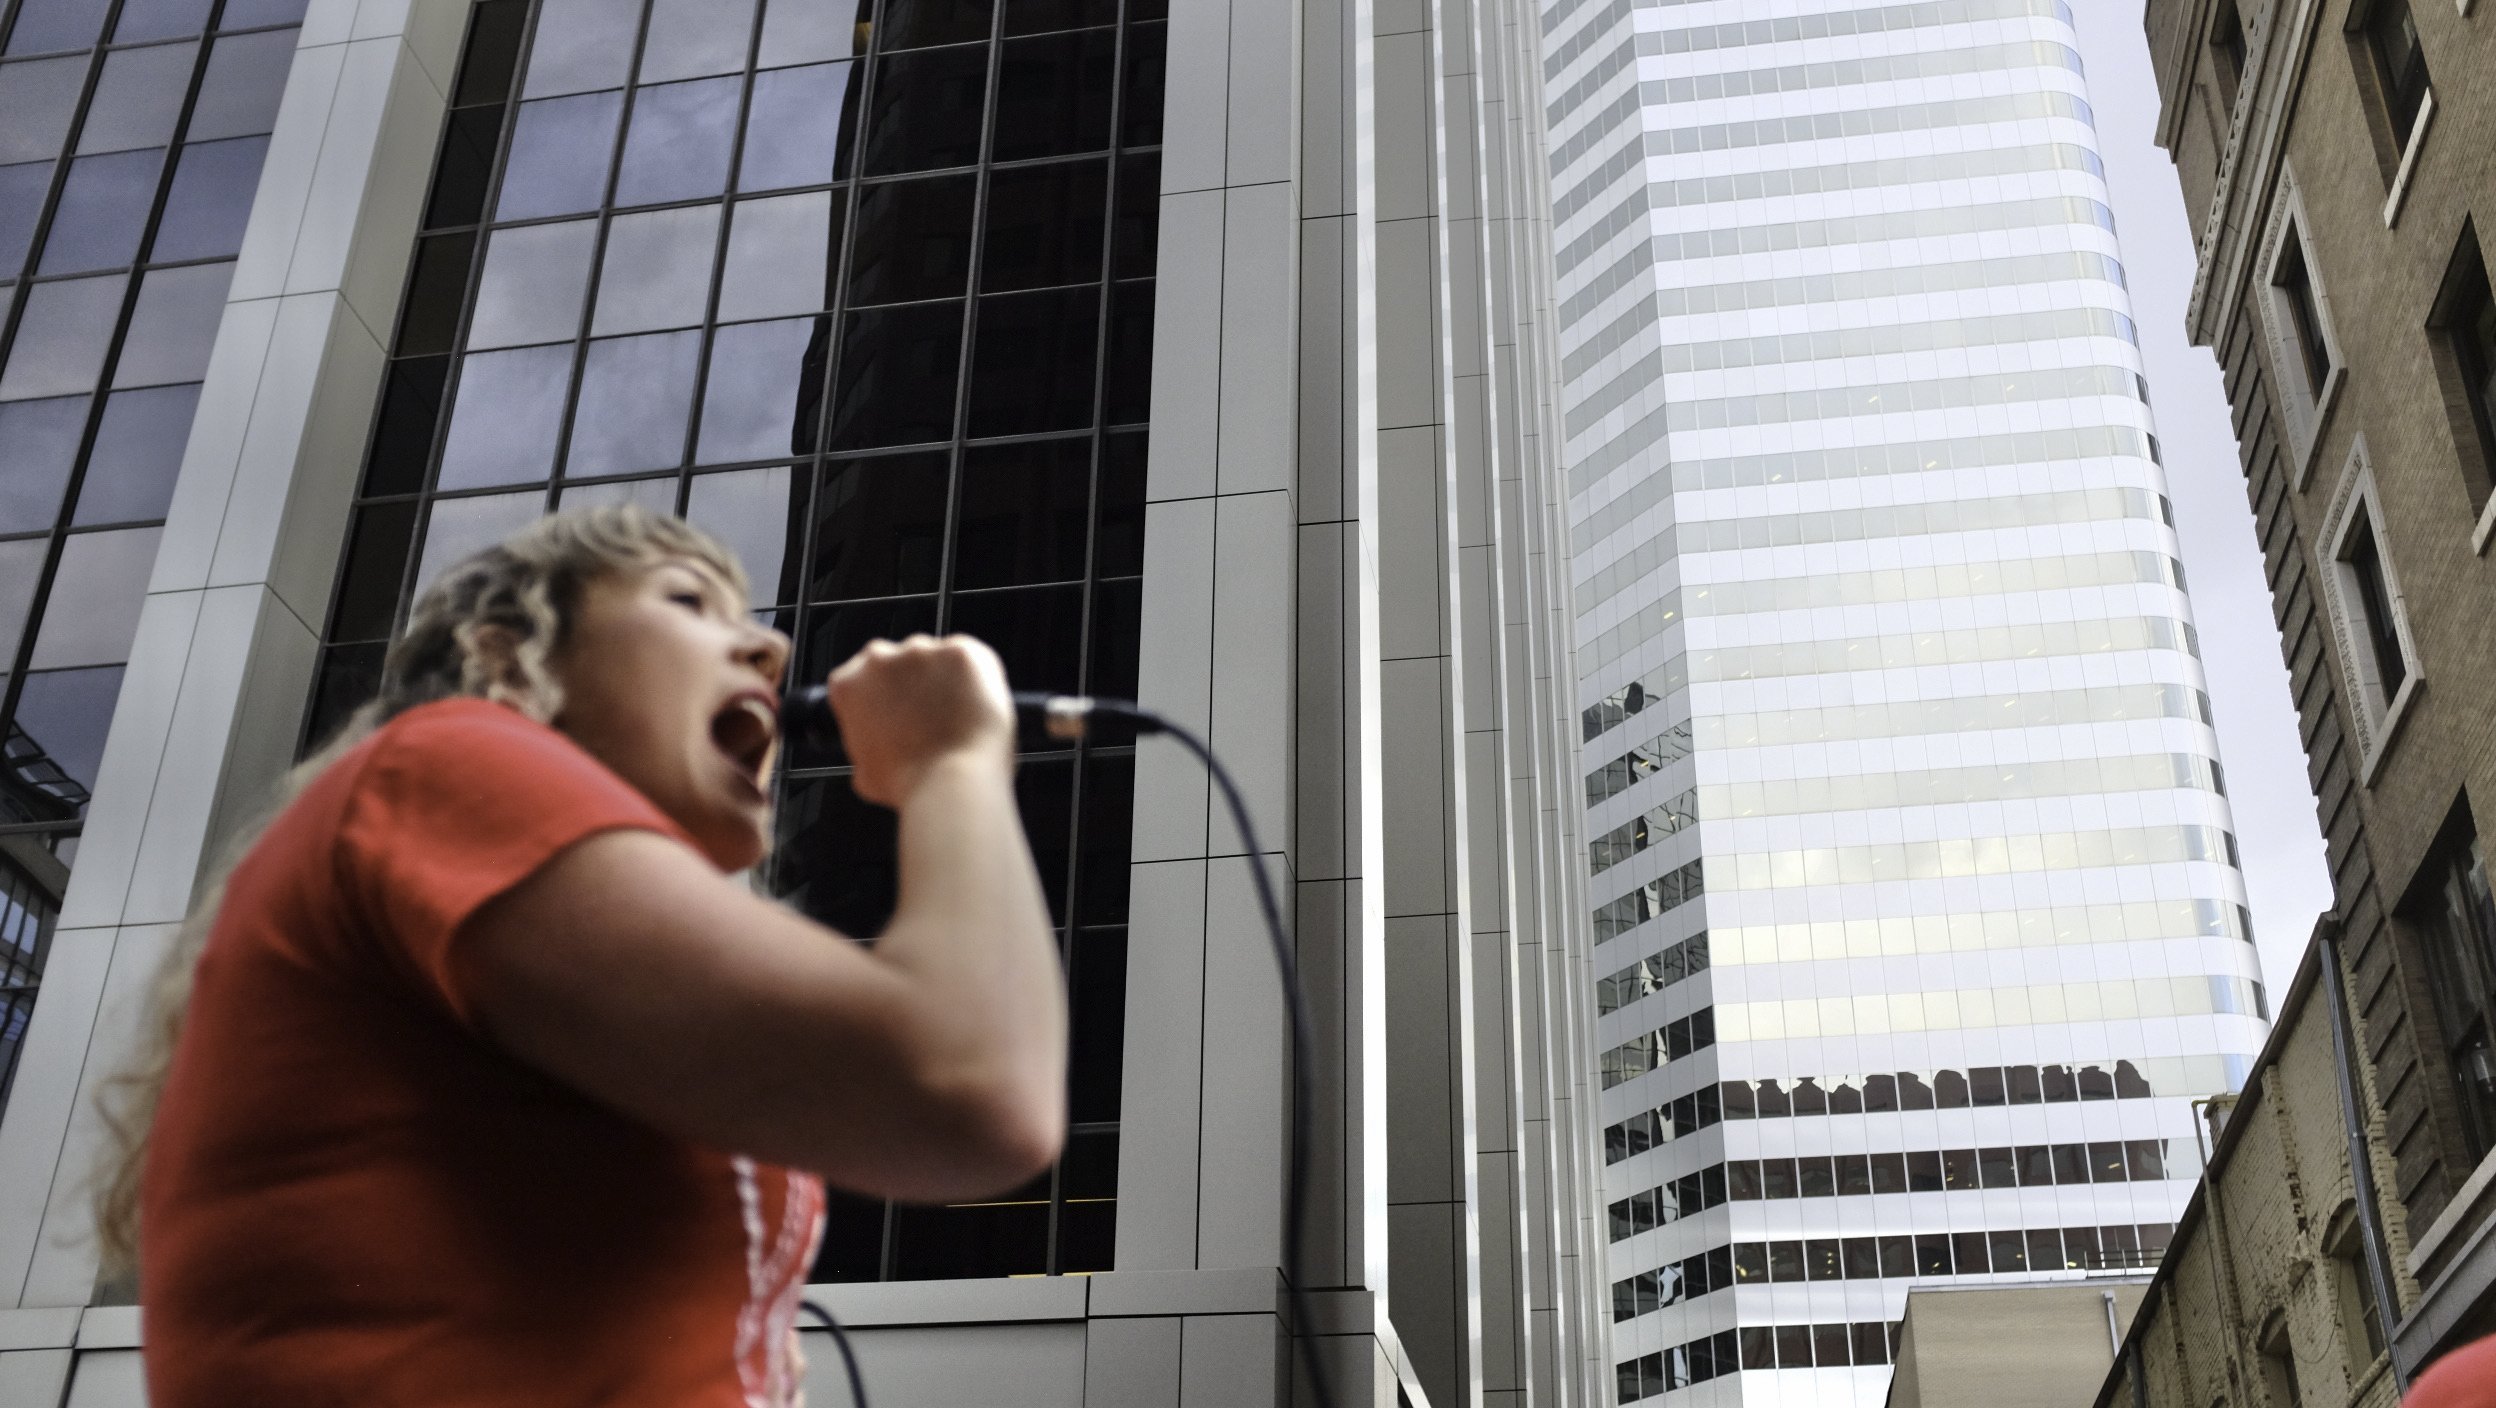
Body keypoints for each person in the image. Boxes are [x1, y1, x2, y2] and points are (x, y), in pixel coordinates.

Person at [93, 505, 1065, 1407]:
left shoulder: (562, 965)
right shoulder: (448, 761)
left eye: (756, 623)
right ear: (508, 654)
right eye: (688, 600)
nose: (771, 650)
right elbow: (968, 1084)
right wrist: (950, 762)